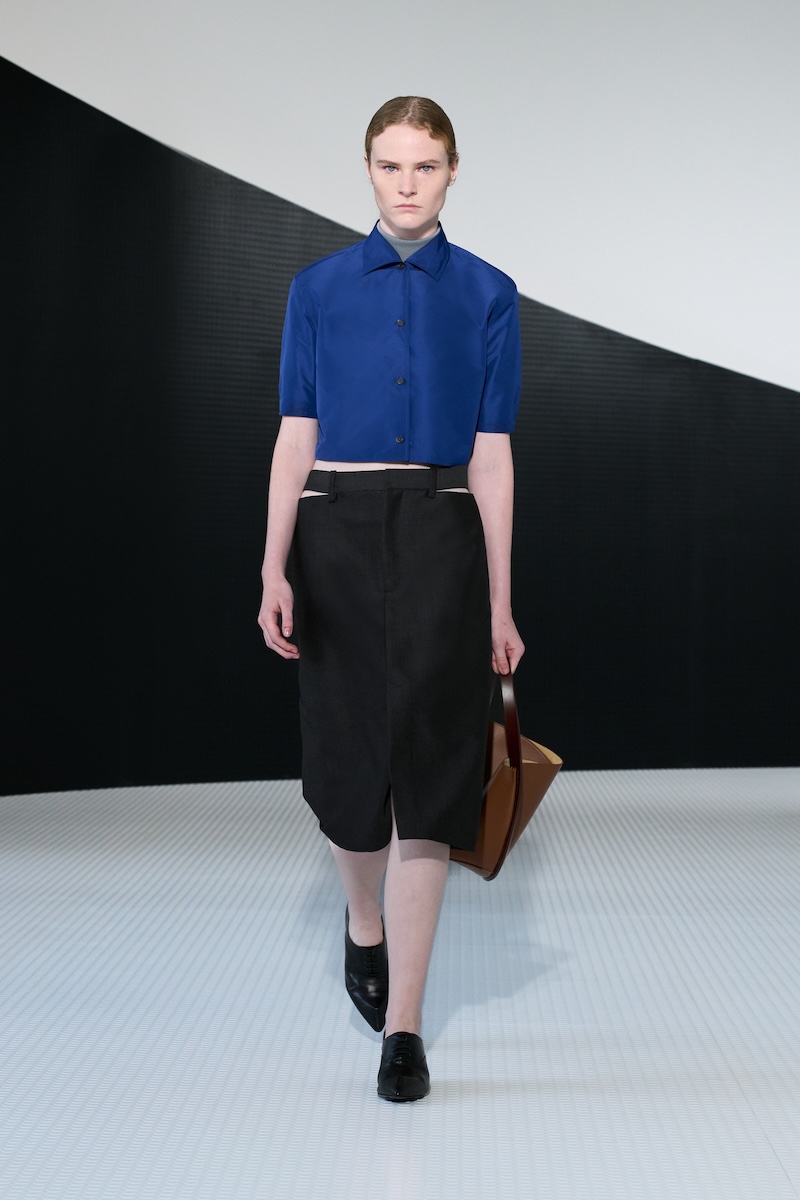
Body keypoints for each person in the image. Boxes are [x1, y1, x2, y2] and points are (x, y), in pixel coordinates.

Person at [258, 96, 524, 1102]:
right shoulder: (317, 289)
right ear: (366, 170)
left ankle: (403, 1027)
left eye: (425, 165)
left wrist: (500, 602)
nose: (406, 184)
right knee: (345, 766)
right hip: (332, 534)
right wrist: (272, 567)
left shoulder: (489, 293)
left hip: (442, 537)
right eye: (388, 164)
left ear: (453, 171)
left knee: (430, 775)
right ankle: (361, 920)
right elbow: (295, 435)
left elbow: (492, 455)